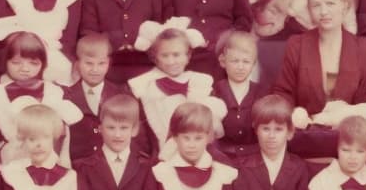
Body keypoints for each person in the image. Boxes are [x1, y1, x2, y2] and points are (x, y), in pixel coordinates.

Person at [272, 0, 366, 160]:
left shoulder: (364, 47)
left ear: (344, 6)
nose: (323, 12)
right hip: (306, 138)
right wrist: (295, 113)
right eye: (316, 5)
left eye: (330, 4)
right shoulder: (297, 44)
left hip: (350, 142)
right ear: (309, 10)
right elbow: (283, 93)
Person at [0, 31, 83, 165]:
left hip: (49, 162)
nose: (25, 68)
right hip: (10, 164)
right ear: (6, 61)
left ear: (43, 64)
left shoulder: (53, 92)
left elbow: (64, 133)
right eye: (16, 62)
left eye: (33, 63)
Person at [127, 22, 227, 155]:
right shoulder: (146, 85)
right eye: (165, 56)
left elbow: (211, 120)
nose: (171, 62)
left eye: (176, 55)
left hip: (202, 148)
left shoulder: (200, 82)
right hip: (163, 151)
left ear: (188, 56)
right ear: (155, 58)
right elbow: (142, 129)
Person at [63, 33, 126, 166]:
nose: (95, 70)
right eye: (88, 63)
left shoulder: (121, 95)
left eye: (101, 63)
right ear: (78, 63)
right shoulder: (66, 96)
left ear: (109, 63)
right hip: (78, 167)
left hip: (112, 165)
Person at [212, 30, 266, 161]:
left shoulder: (262, 92)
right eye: (235, 61)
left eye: (246, 62)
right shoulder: (215, 91)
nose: (240, 67)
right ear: (223, 61)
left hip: (254, 156)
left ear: (253, 64)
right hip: (222, 156)